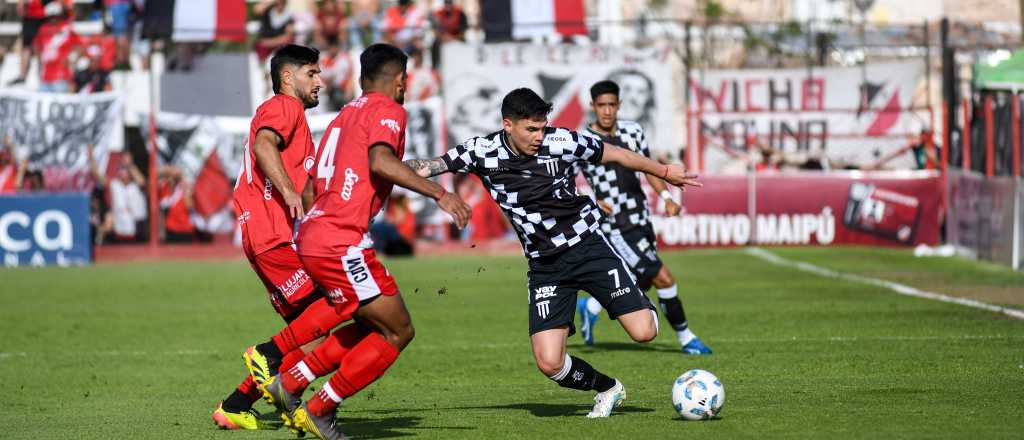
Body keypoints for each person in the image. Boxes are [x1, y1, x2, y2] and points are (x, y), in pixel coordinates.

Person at [403, 88, 702, 417]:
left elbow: (615, 154)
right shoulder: (481, 151)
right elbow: (429, 166)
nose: (538, 136)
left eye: (542, 127)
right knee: (550, 363)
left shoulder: (563, 142)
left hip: (588, 247)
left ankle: (633, 297)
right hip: (546, 266)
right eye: (531, 129)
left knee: (644, 332)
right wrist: (380, 168)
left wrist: (662, 171)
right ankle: (607, 388)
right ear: (508, 125)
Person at [246, 43, 471, 440]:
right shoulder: (389, 110)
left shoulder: (343, 116)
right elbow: (380, 161)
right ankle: (319, 407)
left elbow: (316, 182)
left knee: (372, 325)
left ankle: (292, 380)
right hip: (341, 240)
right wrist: (441, 194)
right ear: (401, 81)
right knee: (398, 331)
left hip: (315, 235)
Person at [214, 44, 338, 431]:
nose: (320, 81)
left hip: (268, 236)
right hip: (272, 236)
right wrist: (286, 191)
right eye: (312, 73)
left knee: (304, 331)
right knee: (335, 304)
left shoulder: (295, 118)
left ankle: (235, 405)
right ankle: (285, 381)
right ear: (288, 77)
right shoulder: (285, 107)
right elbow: (263, 143)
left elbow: (307, 187)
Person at [575, 80, 712, 354]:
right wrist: (591, 200)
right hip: (613, 225)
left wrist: (667, 197)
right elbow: (566, 180)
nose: (607, 111)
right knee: (663, 278)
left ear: (619, 106)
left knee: (643, 281)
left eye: (611, 105)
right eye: (601, 105)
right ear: (593, 106)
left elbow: (649, 168)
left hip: (639, 218)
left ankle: (591, 306)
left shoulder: (633, 131)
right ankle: (686, 338)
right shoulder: (583, 140)